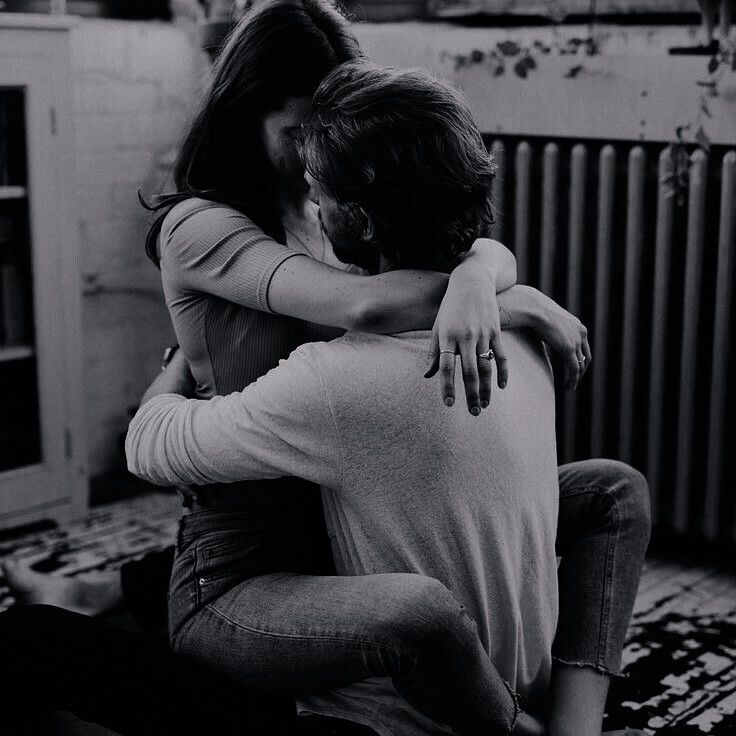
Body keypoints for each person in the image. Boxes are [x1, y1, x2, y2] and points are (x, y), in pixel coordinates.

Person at [3, 2, 648, 734]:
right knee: (389, 617)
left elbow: (447, 240)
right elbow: (373, 305)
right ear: (247, 111)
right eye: (299, 130)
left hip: (339, 488)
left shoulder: (330, 200)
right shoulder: (206, 224)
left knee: (608, 493)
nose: (319, 154)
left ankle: (95, 595)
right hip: (252, 530)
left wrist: (483, 272)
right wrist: (506, 290)